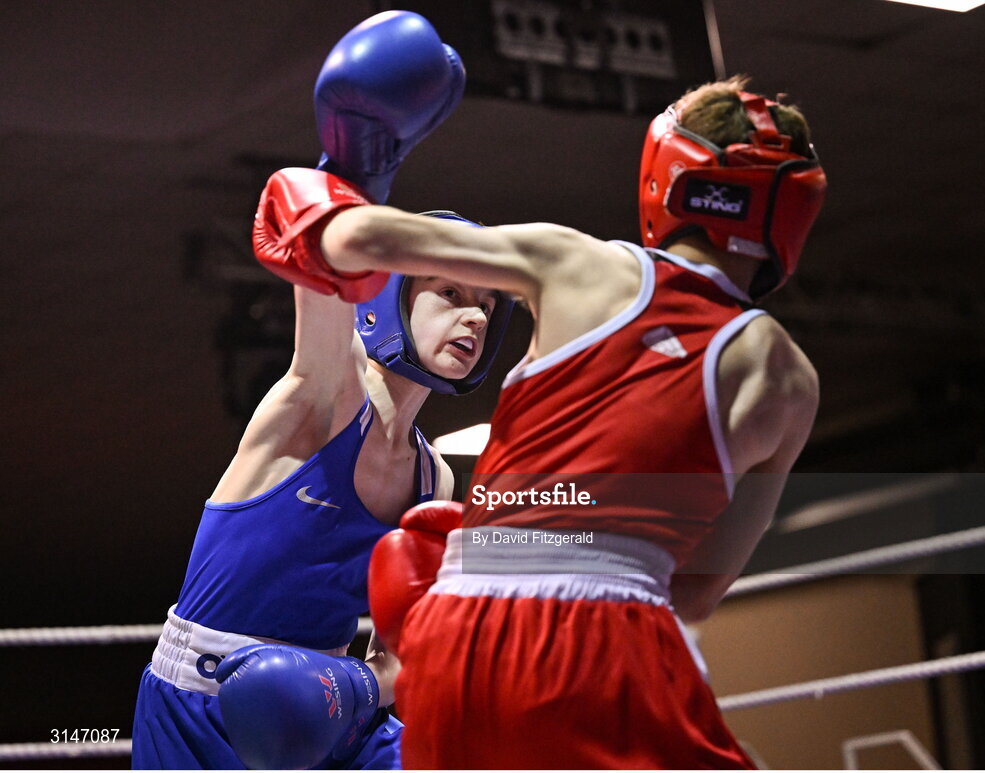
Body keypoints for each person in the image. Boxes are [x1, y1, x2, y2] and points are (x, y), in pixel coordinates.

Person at [250, 73, 826, 768]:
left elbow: (344, 238)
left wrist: (337, 166)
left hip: (456, 629)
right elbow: (694, 594)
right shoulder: (788, 379)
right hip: (611, 638)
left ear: (666, 175)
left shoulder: (574, 261)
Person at [130, 12, 514, 770]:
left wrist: (366, 684)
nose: (472, 314)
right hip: (200, 716)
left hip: (333, 709)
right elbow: (323, 282)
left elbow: (403, 656)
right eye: (447, 291)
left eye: (486, 304)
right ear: (388, 301)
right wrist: (363, 164)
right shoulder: (323, 398)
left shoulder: (432, 475)